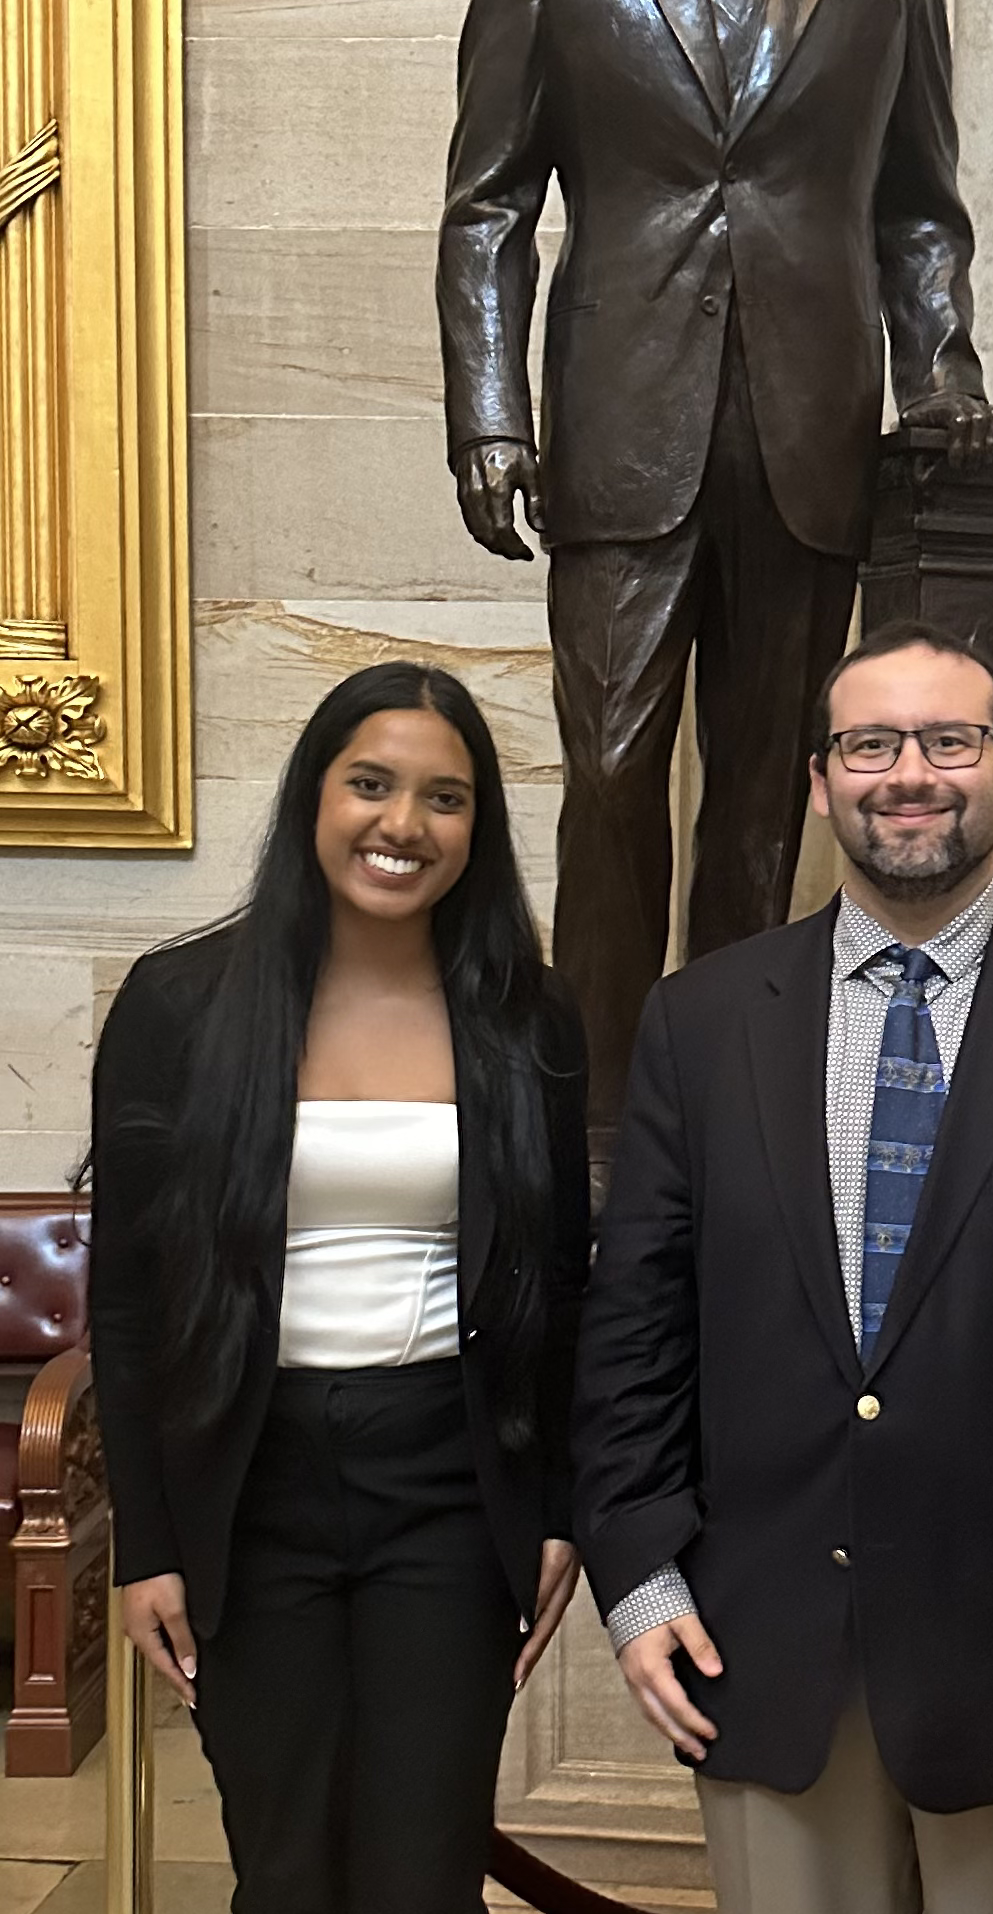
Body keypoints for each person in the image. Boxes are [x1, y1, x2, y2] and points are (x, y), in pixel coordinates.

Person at [571, 621, 993, 1914]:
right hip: (761, 1644)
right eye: (869, 743)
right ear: (820, 778)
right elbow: (634, 1332)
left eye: (947, 740)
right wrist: (636, 1576)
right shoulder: (703, 1018)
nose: (908, 772)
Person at [439, 0, 993, 1143]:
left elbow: (917, 202)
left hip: (809, 426)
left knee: (761, 802)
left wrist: (941, 373)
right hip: (619, 422)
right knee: (607, 774)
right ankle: (591, 1127)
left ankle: (730, 1122)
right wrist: (490, 414)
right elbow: (489, 202)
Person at [89, 662, 591, 1914]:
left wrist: (559, 1507)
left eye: (446, 797)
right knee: (289, 1867)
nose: (403, 825)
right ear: (314, 792)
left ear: (479, 828)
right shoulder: (180, 1003)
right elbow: (131, 1301)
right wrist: (145, 1545)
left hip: (445, 1480)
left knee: (422, 1873)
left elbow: (565, 1290)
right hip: (250, 1483)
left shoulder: (529, 1018)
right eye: (371, 783)